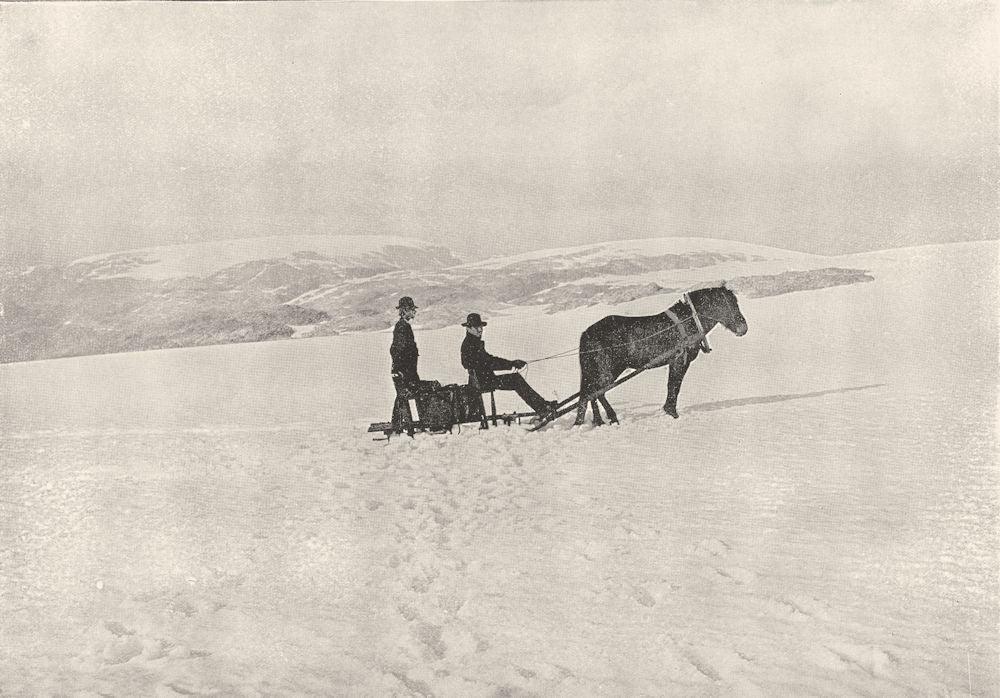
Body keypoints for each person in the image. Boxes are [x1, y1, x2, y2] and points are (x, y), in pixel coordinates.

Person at [460, 312, 557, 419]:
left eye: (481, 327)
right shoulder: (469, 345)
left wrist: (511, 363)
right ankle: (542, 408)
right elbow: (488, 362)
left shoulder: (473, 342)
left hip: (484, 380)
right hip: (484, 382)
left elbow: (489, 360)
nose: (480, 330)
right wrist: (511, 364)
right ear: (468, 328)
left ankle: (542, 405)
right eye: (476, 327)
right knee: (516, 380)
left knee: (516, 379)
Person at [390, 296, 420, 434]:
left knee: (401, 397)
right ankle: (400, 426)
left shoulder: (403, 326)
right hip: (404, 372)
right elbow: (398, 350)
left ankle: (397, 425)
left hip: (405, 371)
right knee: (403, 396)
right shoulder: (402, 327)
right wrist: (400, 370)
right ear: (405, 311)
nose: (414, 312)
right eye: (412, 309)